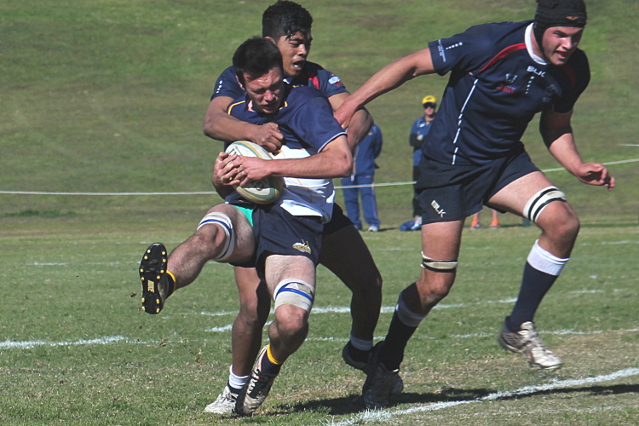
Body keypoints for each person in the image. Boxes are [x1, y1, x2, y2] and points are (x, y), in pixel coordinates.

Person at [335, 0, 615, 408]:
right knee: (436, 286)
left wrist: (576, 166)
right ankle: (386, 361)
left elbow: (556, 125)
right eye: (560, 34)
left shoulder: (574, 70)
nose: (568, 44)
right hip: (447, 167)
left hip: (503, 163)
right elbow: (411, 64)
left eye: (576, 36)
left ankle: (518, 324)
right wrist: (350, 104)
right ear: (540, 27)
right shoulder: (489, 42)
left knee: (563, 223)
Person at [200, 1, 399, 415]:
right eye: (296, 42)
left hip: (313, 208)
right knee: (253, 309)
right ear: (271, 43)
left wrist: (339, 132)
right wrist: (257, 133)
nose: (304, 50)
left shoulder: (316, 78)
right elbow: (213, 122)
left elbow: (361, 113)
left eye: (307, 41)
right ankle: (235, 391)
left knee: (369, 282)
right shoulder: (244, 75)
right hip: (262, 207)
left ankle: (361, 352)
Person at [140, 37, 353, 415]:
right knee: (209, 236)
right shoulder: (239, 114)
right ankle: (163, 283)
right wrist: (222, 178)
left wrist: (270, 167)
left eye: (274, 86)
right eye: (259, 90)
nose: (269, 96)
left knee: (290, 321)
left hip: (296, 222)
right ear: (243, 83)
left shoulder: (307, 106)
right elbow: (227, 173)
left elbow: (341, 162)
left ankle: (265, 369)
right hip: (250, 212)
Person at [400, 96, 437, 231]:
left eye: (431, 106)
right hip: (418, 163)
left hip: (433, 163)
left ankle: (432, 217)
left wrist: (423, 140)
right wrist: (426, 141)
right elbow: (413, 141)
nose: (429, 108)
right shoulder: (418, 123)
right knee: (417, 191)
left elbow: (436, 140)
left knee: (433, 190)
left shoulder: (439, 122)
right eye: (426, 106)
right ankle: (418, 217)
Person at [341, 124, 383, 232]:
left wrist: (368, 161)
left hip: (365, 168)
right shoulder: (342, 128)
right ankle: (354, 223)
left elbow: (377, 147)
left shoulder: (373, 129)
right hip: (347, 169)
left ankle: (373, 222)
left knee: (367, 196)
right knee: (350, 198)